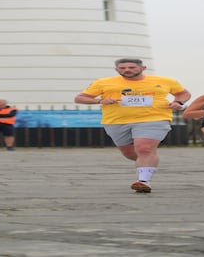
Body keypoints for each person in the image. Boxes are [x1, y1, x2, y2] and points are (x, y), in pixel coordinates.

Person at [74, 58, 190, 193]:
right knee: (130, 153)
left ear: (143, 68)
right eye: (122, 68)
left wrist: (179, 102)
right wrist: (100, 100)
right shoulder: (103, 82)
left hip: (155, 118)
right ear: (116, 70)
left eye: (132, 67)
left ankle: (143, 181)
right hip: (116, 121)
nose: (127, 70)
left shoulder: (164, 81)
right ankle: (147, 161)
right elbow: (80, 98)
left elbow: (183, 93)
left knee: (144, 148)